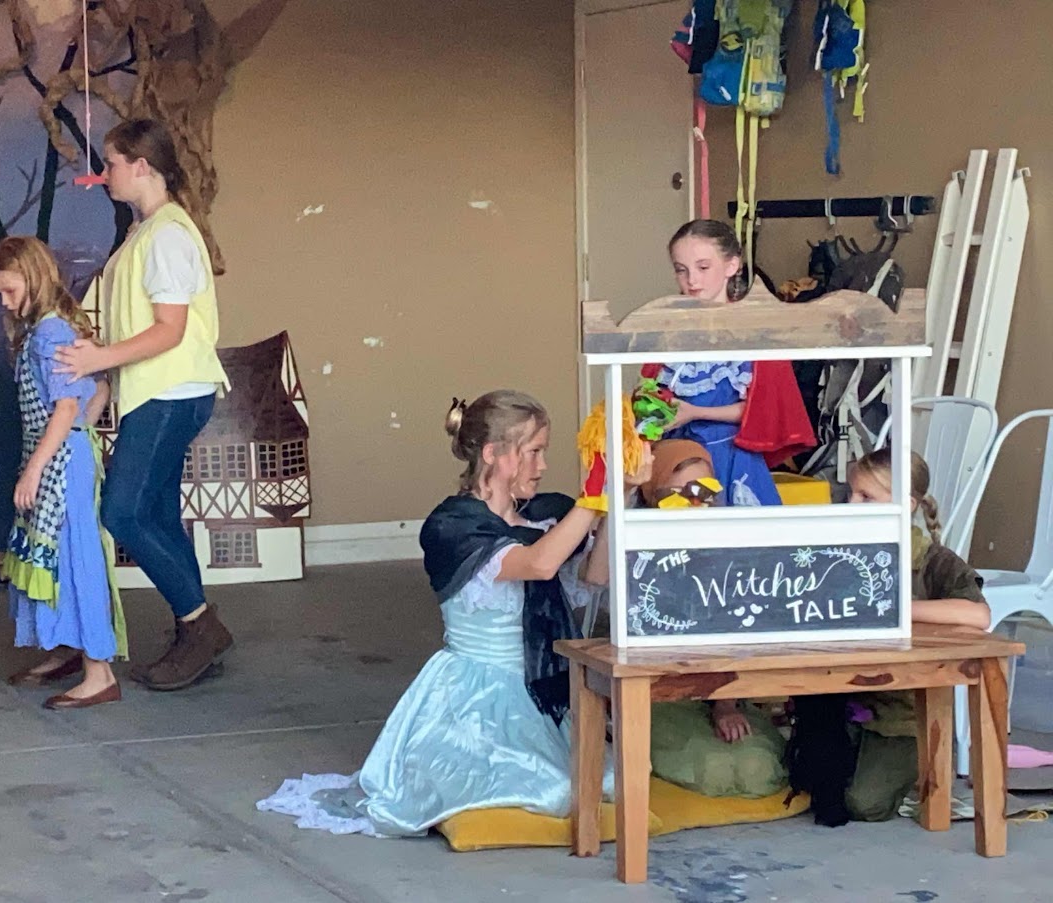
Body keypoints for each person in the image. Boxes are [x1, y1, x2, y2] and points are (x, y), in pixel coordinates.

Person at [256, 391, 646, 836]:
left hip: (539, 691)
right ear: (493, 454)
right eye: (533, 452)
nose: (542, 466)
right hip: (473, 698)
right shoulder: (454, 526)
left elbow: (596, 575)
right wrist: (595, 493)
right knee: (555, 790)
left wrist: (620, 494)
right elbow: (539, 564)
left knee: (605, 780)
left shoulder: (544, 516)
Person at [53, 119, 232, 692]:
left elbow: (169, 330)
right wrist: (106, 375)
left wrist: (97, 361)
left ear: (142, 165)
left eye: (111, 163)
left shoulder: (168, 236)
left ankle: (201, 627)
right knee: (155, 514)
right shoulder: (147, 231)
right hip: (158, 392)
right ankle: (194, 630)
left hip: (170, 392)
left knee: (124, 512)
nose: (104, 173)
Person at [788, 448, 992, 825]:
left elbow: (977, 615)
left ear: (905, 505)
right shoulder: (841, 549)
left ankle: (923, 773)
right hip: (849, 700)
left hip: (901, 716)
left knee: (864, 803)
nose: (852, 505)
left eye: (866, 497)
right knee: (811, 777)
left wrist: (896, 608)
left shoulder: (933, 560)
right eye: (851, 493)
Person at [584, 439, 789, 799]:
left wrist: (725, 706)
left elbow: (732, 631)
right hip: (655, 689)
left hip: (716, 684)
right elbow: (595, 576)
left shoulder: (729, 543)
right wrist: (622, 496)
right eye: (678, 495)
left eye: (703, 491)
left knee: (758, 768)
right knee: (716, 771)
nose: (695, 503)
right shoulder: (636, 535)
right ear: (653, 497)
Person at [0, 236, 126, 710]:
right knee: (56, 556)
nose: (5, 302)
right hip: (60, 453)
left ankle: (99, 672)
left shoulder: (50, 332)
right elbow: (99, 389)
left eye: (10, 291)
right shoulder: (47, 329)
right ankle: (70, 647)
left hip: (59, 461)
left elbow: (66, 407)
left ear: (33, 279)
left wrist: (34, 469)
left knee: (75, 557)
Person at [653, 220, 815, 506]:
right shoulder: (668, 331)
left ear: (732, 265)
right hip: (677, 463)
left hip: (732, 459)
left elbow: (765, 409)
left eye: (703, 267)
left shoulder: (754, 332)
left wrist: (694, 412)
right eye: (681, 270)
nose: (692, 280)